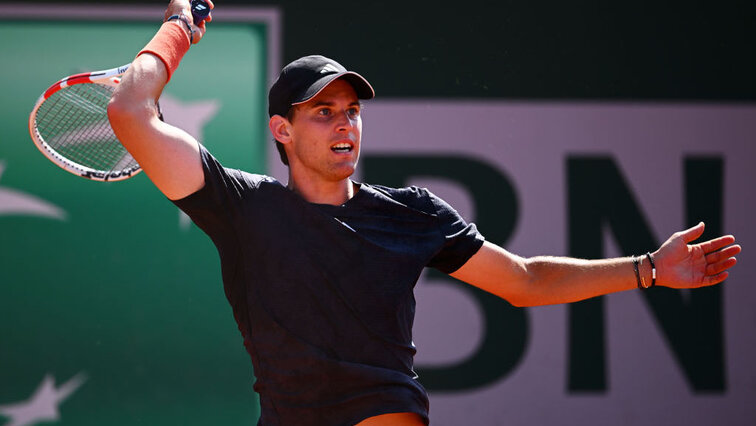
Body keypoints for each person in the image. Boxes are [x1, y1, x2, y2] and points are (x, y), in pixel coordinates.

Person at [107, 1, 741, 425]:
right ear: (283, 129)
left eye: (351, 110)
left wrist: (647, 269)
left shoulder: (412, 214)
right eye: (322, 112)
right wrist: (177, 29)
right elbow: (130, 113)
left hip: (383, 410)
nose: (344, 124)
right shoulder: (242, 207)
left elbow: (521, 281)